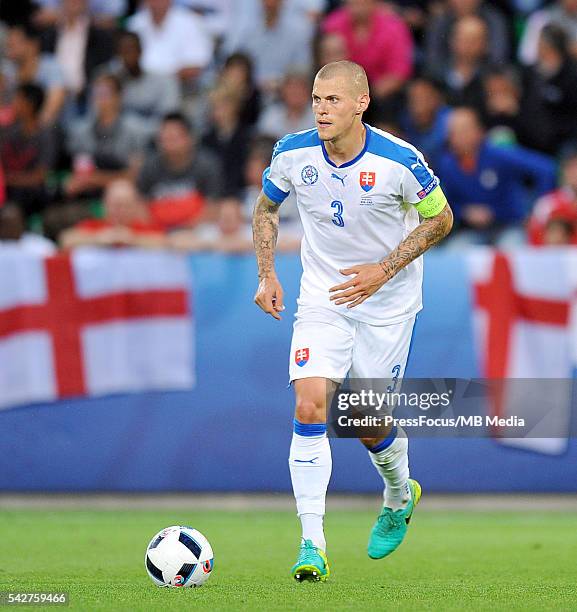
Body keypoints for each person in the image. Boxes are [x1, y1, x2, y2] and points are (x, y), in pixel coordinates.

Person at [252, 60, 453, 581]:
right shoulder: (292, 153)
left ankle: (398, 491)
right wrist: (267, 274)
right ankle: (311, 544)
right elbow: (266, 209)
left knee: (364, 420)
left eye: (334, 100)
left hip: (387, 306)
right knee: (310, 400)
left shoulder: (399, 161)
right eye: (317, 99)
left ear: (361, 103)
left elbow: (442, 217)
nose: (322, 109)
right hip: (324, 298)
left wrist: (383, 271)